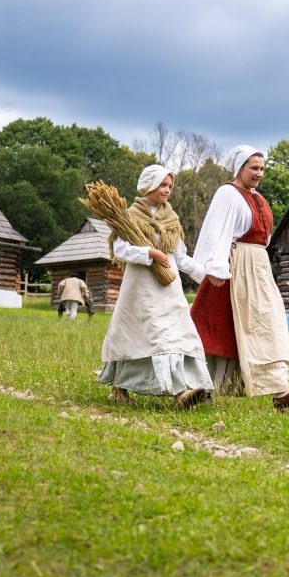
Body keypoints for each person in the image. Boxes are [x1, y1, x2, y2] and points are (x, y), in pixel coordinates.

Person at [190, 145, 289, 410]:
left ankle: (281, 391)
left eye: (261, 168)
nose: (259, 173)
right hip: (236, 268)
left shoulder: (258, 197)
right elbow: (217, 231)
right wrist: (217, 268)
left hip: (258, 267)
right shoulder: (228, 193)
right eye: (253, 168)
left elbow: (264, 238)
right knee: (216, 328)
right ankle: (195, 387)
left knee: (270, 325)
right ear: (240, 168)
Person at [97, 165, 213, 409]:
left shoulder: (171, 219)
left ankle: (184, 388)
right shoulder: (130, 217)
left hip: (169, 288)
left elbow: (179, 256)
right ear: (148, 184)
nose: (168, 190)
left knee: (178, 334)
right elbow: (120, 249)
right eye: (163, 184)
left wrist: (204, 273)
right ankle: (121, 388)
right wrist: (148, 252)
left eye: (170, 185)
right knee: (139, 336)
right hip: (140, 289)